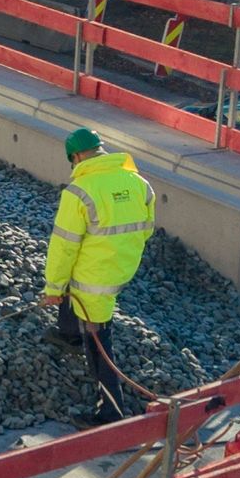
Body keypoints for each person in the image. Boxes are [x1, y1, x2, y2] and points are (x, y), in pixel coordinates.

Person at [39, 128, 157, 385]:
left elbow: (63, 247)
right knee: (76, 282)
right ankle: (69, 333)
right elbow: (146, 230)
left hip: (95, 278)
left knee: (99, 341)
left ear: (78, 156)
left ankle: (111, 410)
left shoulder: (79, 191)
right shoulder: (138, 183)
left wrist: (53, 288)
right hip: (123, 267)